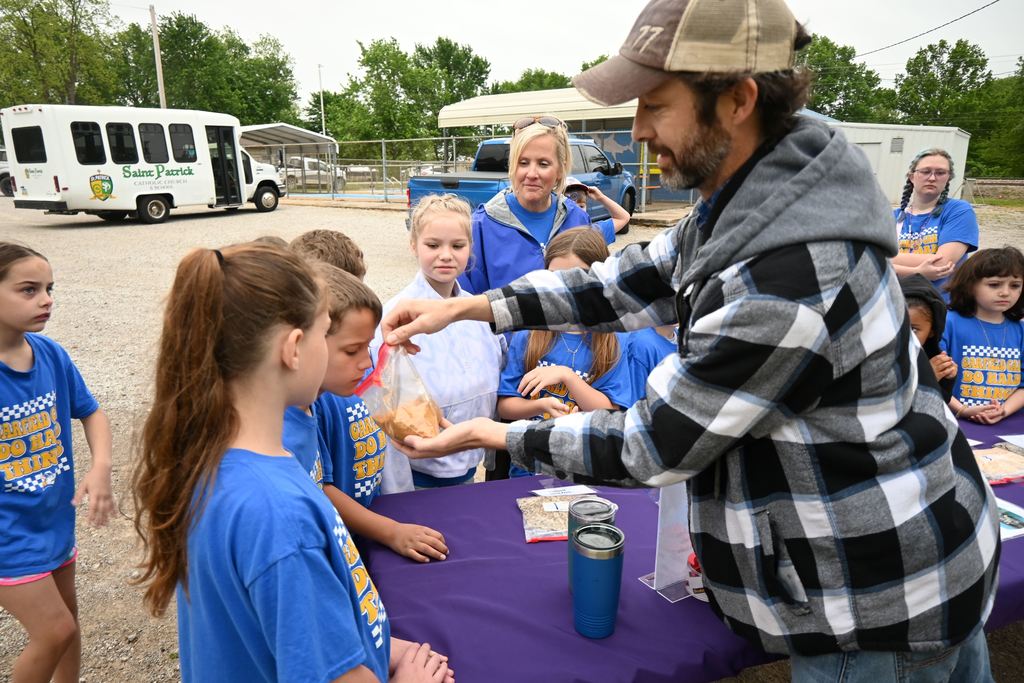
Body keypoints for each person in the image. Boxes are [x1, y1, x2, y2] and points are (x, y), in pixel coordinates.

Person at [379, 1, 1000, 680]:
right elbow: (623, 282)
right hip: (879, 566)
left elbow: (653, 442)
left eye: (656, 103)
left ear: (738, 99)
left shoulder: (788, 272)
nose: (639, 128)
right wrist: (472, 307)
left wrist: (482, 435)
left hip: (875, 599)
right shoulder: (754, 197)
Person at [131, 243, 452, 682]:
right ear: (294, 347)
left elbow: (294, 630)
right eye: (325, 333)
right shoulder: (280, 514)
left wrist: (377, 645)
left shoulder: (216, 459)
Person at [0, 242, 114, 683]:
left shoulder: (50, 355)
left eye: (49, 288)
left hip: (53, 521)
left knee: (69, 622)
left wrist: (100, 466)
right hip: (8, 534)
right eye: (28, 290)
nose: (46, 299)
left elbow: (92, 411)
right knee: (54, 631)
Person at [313, 263, 449, 562]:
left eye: (368, 348)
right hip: (338, 544)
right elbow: (320, 489)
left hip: (364, 533)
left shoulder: (337, 385)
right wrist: (390, 531)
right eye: (352, 351)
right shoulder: (307, 405)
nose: (366, 363)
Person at [370, 194, 503, 489]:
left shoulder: (480, 312)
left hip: (468, 465)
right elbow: (384, 403)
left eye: (457, 246)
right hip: (416, 472)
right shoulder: (394, 316)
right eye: (433, 245)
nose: (446, 255)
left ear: (470, 248)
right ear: (413, 245)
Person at [457, 114, 593, 294]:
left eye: (543, 164)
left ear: (560, 169)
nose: (531, 173)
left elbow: (593, 291)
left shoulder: (578, 219)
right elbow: (467, 301)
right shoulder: (481, 227)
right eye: (523, 163)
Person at [942, 246, 1024, 424]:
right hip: (954, 418)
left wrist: (1003, 411)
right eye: (994, 284)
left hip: (1008, 422)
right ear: (970, 285)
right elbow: (930, 376)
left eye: (1015, 285)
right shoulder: (948, 322)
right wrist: (962, 410)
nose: (1005, 292)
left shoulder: (1020, 330)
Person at [890, 148, 979, 298]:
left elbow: (942, 264)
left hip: (941, 306)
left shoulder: (958, 211)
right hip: (897, 304)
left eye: (940, 172)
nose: (932, 178)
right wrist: (917, 272)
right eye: (925, 171)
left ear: (948, 178)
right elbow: (869, 263)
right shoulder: (892, 217)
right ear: (912, 177)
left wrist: (888, 259)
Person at [899, 274, 957, 401]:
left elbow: (939, 403)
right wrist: (927, 378)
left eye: (914, 329)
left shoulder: (931, 359)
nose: (905, 334)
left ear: (932, 331)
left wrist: (946, 378)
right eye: (897, 326)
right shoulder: (877, 358)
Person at [564, 177, 632, 240]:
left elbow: (623, 217)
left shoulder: (593, 233)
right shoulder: (554, 231)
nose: (577, 211)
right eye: (570, 206)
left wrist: (601, 197)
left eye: (581, 206)